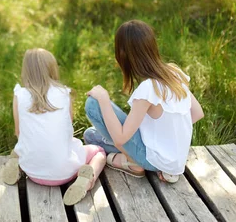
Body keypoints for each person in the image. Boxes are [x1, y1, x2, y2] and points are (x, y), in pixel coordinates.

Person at [85, 20, 204, 183]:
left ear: (123, 54)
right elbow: (197, 113)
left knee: (93, 104)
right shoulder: (174, 73)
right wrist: (167, 136)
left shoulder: (148, 89)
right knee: (91, 134)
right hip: (174, 160)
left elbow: (120, 138)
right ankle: (134, 159)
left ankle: (132, 163)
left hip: (151, 159)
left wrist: (104, 99)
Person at [2, 48, 106, 205]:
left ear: (26, 72)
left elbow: (18, 132)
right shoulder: (64, 94)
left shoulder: (20, 95)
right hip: (64, 172)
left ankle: (17, 163)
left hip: (32, 171)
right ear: (52, 69)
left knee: (23, 147)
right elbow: (66, 130)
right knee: (99, 152)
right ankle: (87, 180)